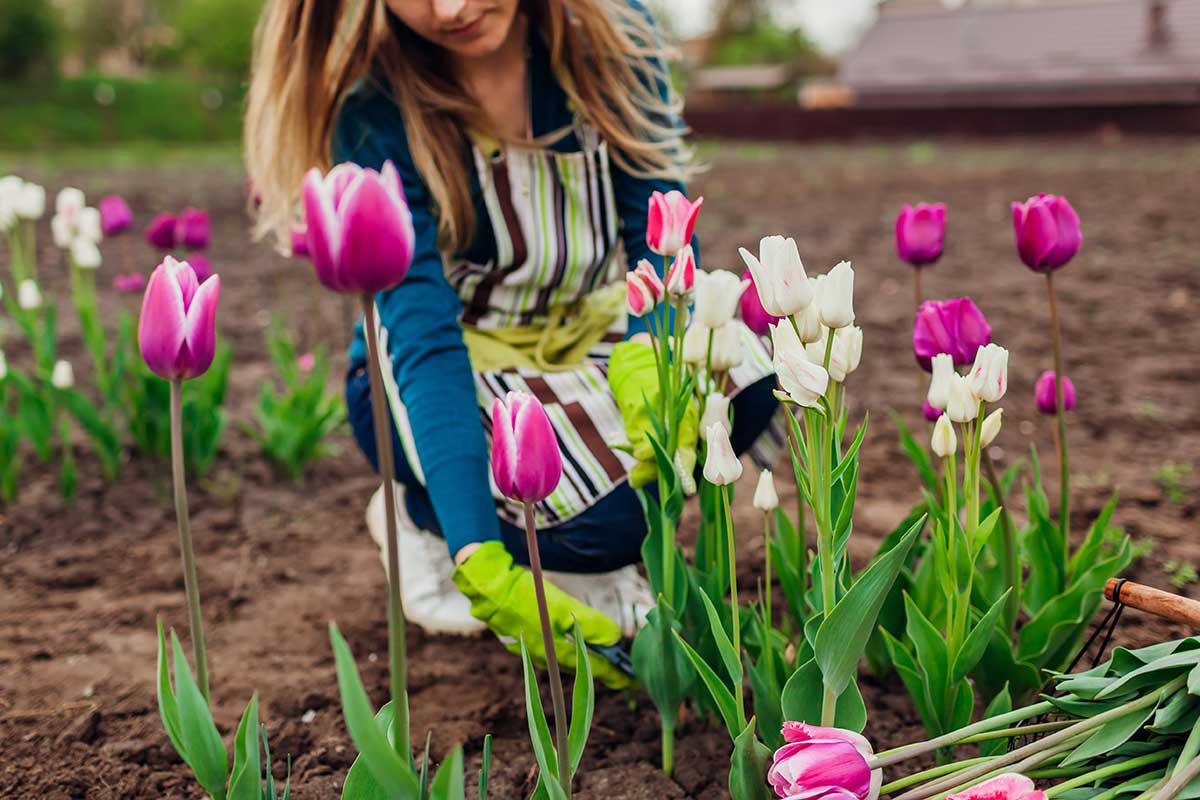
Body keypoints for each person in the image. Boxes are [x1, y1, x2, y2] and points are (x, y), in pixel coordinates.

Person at [244, 0, 781, 689]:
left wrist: (655, 354)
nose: (452, 8)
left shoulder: (617, 43)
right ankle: (429, 523)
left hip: (588, 338)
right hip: (453, 370)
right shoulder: (378, 112)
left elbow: (661, 232)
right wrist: (480, 557)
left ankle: (553, 541)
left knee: (748, 380)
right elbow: (424, 336)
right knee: (609, 528)